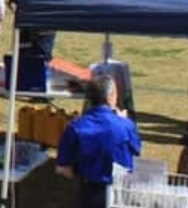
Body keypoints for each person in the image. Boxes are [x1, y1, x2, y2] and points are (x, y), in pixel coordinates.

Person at [56, 75, 142, 208]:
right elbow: (136, 150)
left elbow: (62, 168)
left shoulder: (75, 127)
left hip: (89, 192)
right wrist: (124, 120)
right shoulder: (125, 125)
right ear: (110, 97)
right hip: (121, 191)